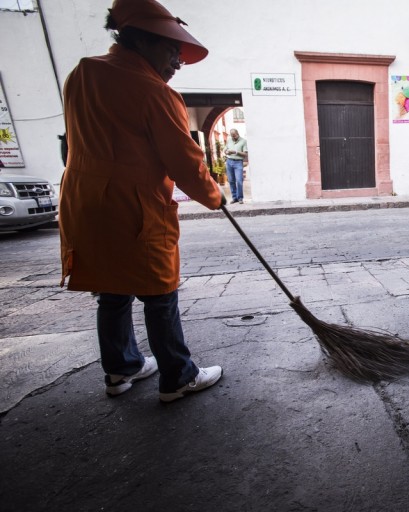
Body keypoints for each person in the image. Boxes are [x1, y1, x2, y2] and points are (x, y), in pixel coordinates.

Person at [59, 0, 224, 403]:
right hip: (131, 206)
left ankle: (121, 368)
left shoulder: (82, 73)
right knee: (159, 291)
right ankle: (179, 376)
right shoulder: (154, 92)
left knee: (112, 287)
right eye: (171, 49)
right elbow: (183, 160)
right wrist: (214, 195)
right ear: (142, 41)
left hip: (83, 203)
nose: (178, 62)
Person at [224, 128, 248, 204]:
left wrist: (235, 152)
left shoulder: (243, 141)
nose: (233, 137)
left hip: (238, 162)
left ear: (238, 134)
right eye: (232, 136)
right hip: (229, 161)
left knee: (239, 181)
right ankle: (234, 198)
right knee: (231, 181)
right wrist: (226, 152)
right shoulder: (229, 140)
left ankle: (240, 198)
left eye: (234, 136)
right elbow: (225, 150)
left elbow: (245, 154)